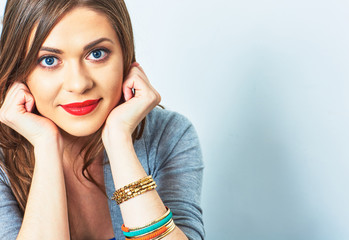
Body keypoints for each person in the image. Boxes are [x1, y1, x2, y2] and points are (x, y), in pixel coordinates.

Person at [0, 0, 204, 239]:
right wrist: (45, 145)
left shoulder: (168, 135)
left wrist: (119, 140)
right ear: (18, 70)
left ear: (125, 56)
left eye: (96, 54)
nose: (79, 84)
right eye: (49, 60)